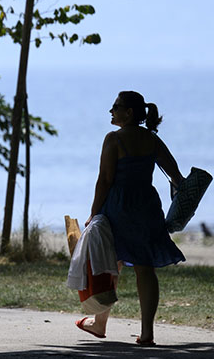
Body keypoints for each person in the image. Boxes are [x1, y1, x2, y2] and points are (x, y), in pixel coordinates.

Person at [76, 90, 186, 345]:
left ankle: (99, 323)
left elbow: (105, 180)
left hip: (118, 206)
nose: (111, 111)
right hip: (146, 206)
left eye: (116, 107)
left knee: (109, 261)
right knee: (144, 268)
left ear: (129, 113)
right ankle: (147, 332)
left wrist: (94, 212)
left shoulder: (113, 140)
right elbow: (176, 175)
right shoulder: (151, 139)